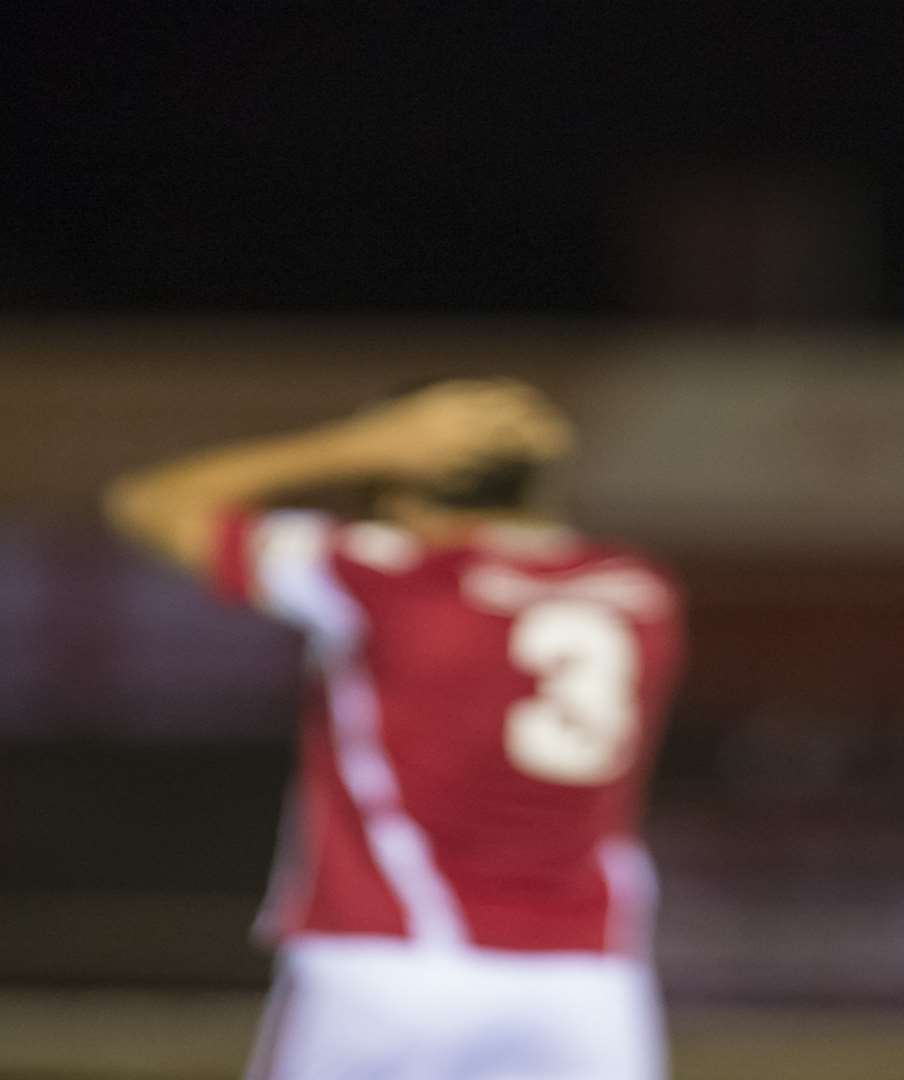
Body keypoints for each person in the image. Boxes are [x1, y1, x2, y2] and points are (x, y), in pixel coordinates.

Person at [104, 378, 684, 1079]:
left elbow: (149, 503)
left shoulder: (384, 574)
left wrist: (362, 445)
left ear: (399, 486)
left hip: (389, 960)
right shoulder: (639, 586)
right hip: (587, 979)